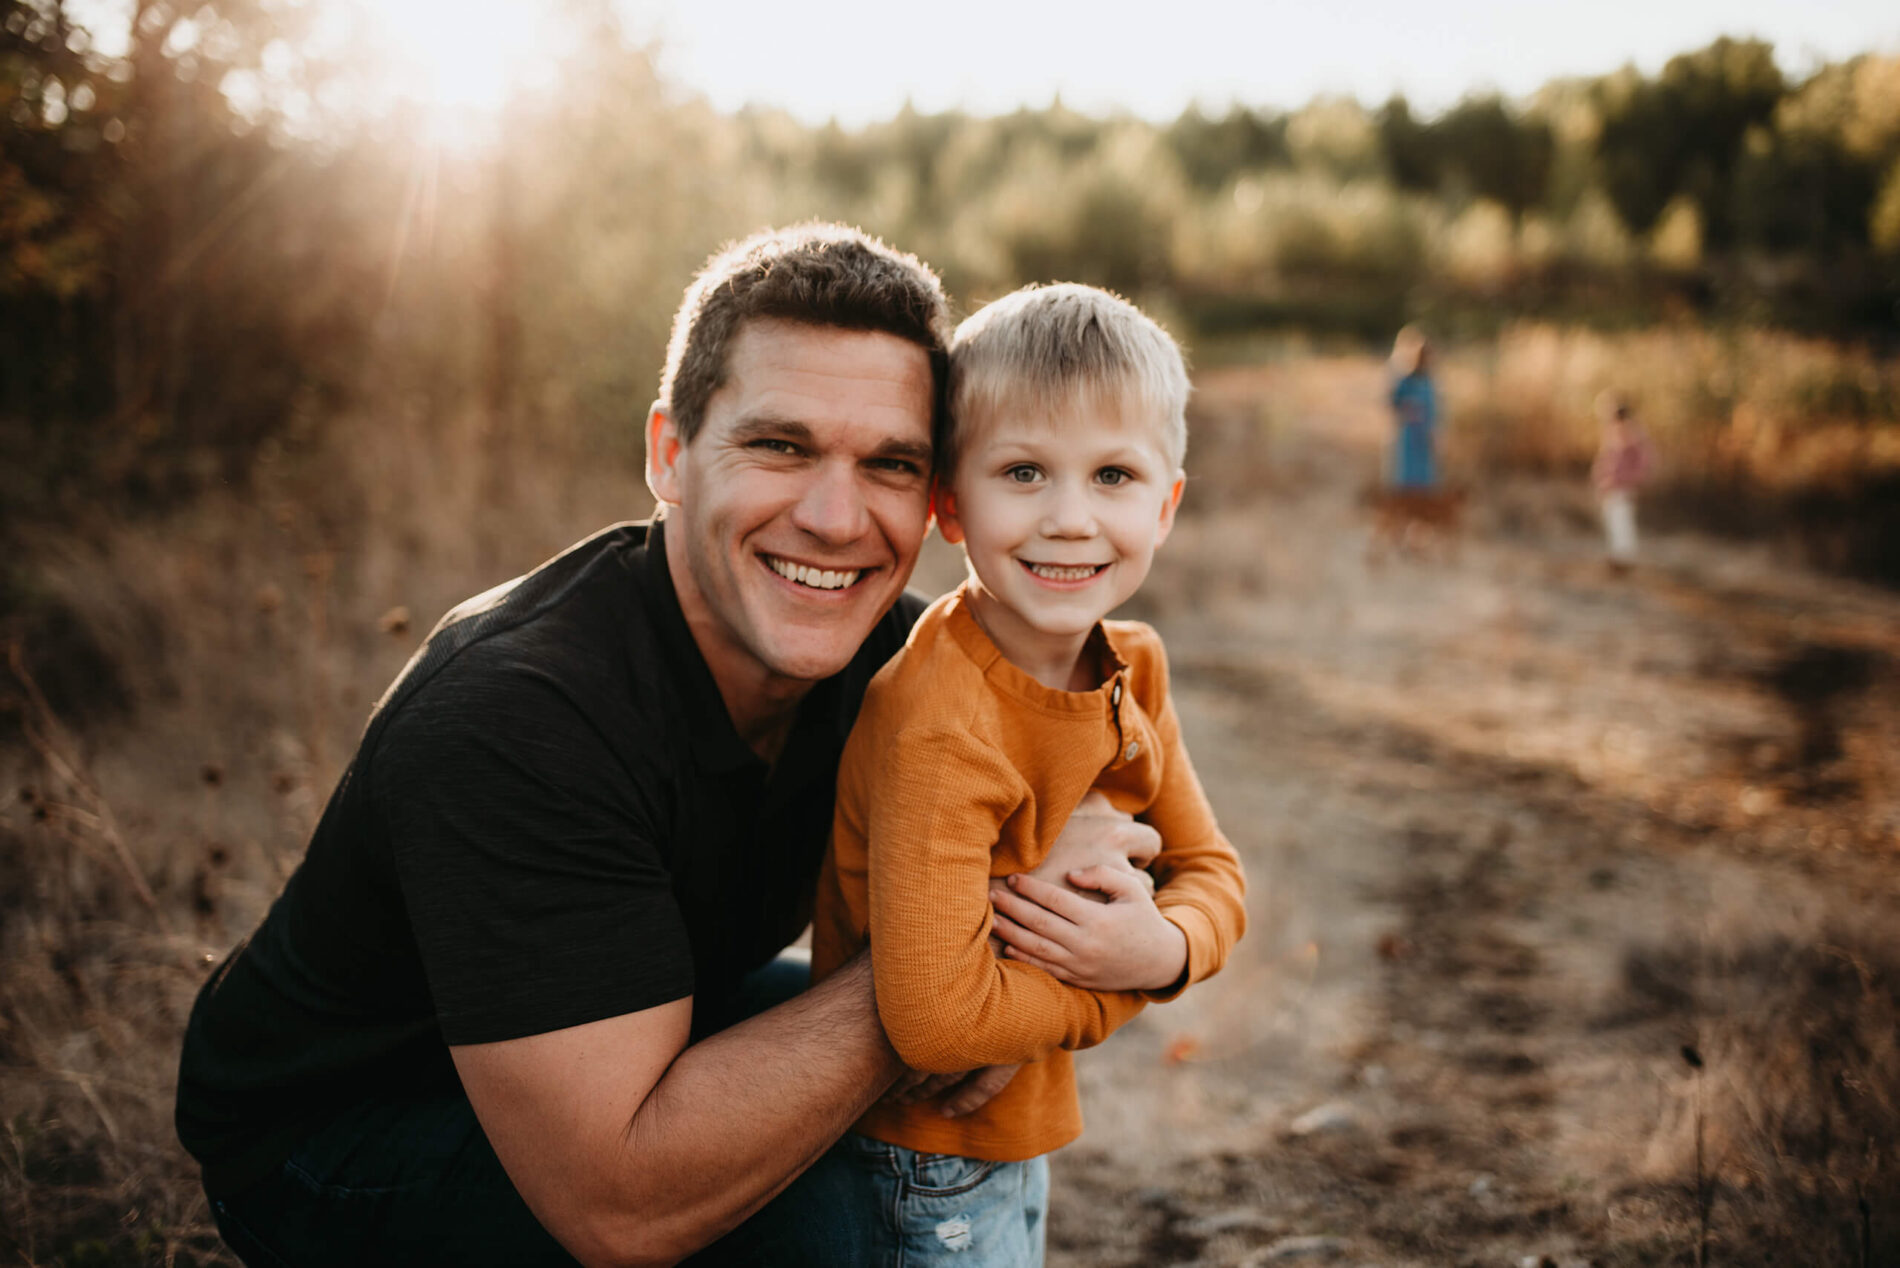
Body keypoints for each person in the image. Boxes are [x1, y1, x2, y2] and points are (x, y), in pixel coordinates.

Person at [173, 224, 1164, 1267]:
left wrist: (1033, 939)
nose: (835, 516)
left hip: (633, 1010)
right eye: (779, 445)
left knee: (965, 1126)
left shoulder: (911, 664)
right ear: (669, 456)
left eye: (890, 463)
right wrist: (951, 975)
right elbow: (620, 1209)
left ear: (937, 497)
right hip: (340, 1129)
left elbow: (1116, 847)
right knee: (829, 1223)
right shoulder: (516, 718)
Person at [811, 283, 1248, 1265]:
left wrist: (1167, 948)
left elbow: (1212, 873)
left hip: (1019, 1129)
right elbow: (936, 1020)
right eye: (1022, 471)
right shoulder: (941, 714)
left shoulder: (1133, 665)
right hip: (921, 1161)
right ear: (950, 505)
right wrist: (1117, 983)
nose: (1067, 517)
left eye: (1112, 475)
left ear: (1166, 502)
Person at [1593, 390, 1654, 572]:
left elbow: (1643, 461)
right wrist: (1602, 478)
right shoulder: (1613, 434)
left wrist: (1633, 479)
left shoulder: (1633, 434)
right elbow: (1607, 460)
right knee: (1613, 518)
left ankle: (1624, 559)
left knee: (1622, 519)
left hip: (1623, 486)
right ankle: (1618, 556)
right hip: (1612, 485)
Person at [1387, 325, 1437, 490]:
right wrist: (1408, 410)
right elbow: (1393, 402)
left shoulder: (1429, 382)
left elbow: (1435, 411)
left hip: (1425, 433)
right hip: (1409, 433)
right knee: (1407, 472)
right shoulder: (1406, 380)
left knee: (1426, 472)